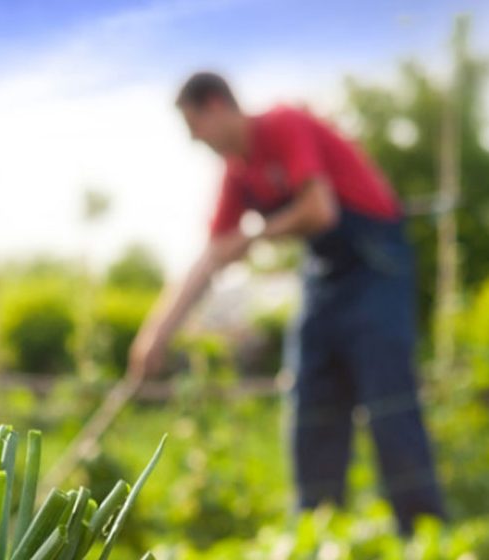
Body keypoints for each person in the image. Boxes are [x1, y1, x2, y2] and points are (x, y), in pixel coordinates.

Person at [127, 71, 445, 533]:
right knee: (310, 402)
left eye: (196, 127)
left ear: (216, 105)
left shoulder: (284, 125)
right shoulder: (238, 174)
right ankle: (317, 534)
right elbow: (212, 255)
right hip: (325, 276)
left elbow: (320, 209)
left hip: (378, 266)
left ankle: (424, 534)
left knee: (389, 405)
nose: (197, 141)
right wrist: (156, 335)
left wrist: (255, 235)